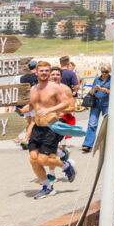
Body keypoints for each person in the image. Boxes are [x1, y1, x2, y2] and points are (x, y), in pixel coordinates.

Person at [21, 61, 76, 198]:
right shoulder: (33, 89)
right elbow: (32, 106)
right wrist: (24, 109)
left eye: (47, 70)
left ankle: (65, 165)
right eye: (42, 71)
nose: (44, 73)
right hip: (37, 128)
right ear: (37, 72)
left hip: (51, 128)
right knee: (33, 159)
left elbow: (67, 103)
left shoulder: (55, 88)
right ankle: (47, 186)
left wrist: (49, 110)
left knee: (43, 160)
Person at [81, 65, 111, 153]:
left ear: (109, 72)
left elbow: (113, 91)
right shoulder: (97, 79)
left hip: (107, 103)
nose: (104, 74)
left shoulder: (112, 80)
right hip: (96, 102)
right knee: (92, 123)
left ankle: (106, 143)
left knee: (107, 124)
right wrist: (94, 89)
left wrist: (104, 89)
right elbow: (91, 92)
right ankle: (88, 144)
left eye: (106, 72)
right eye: (102, 72)